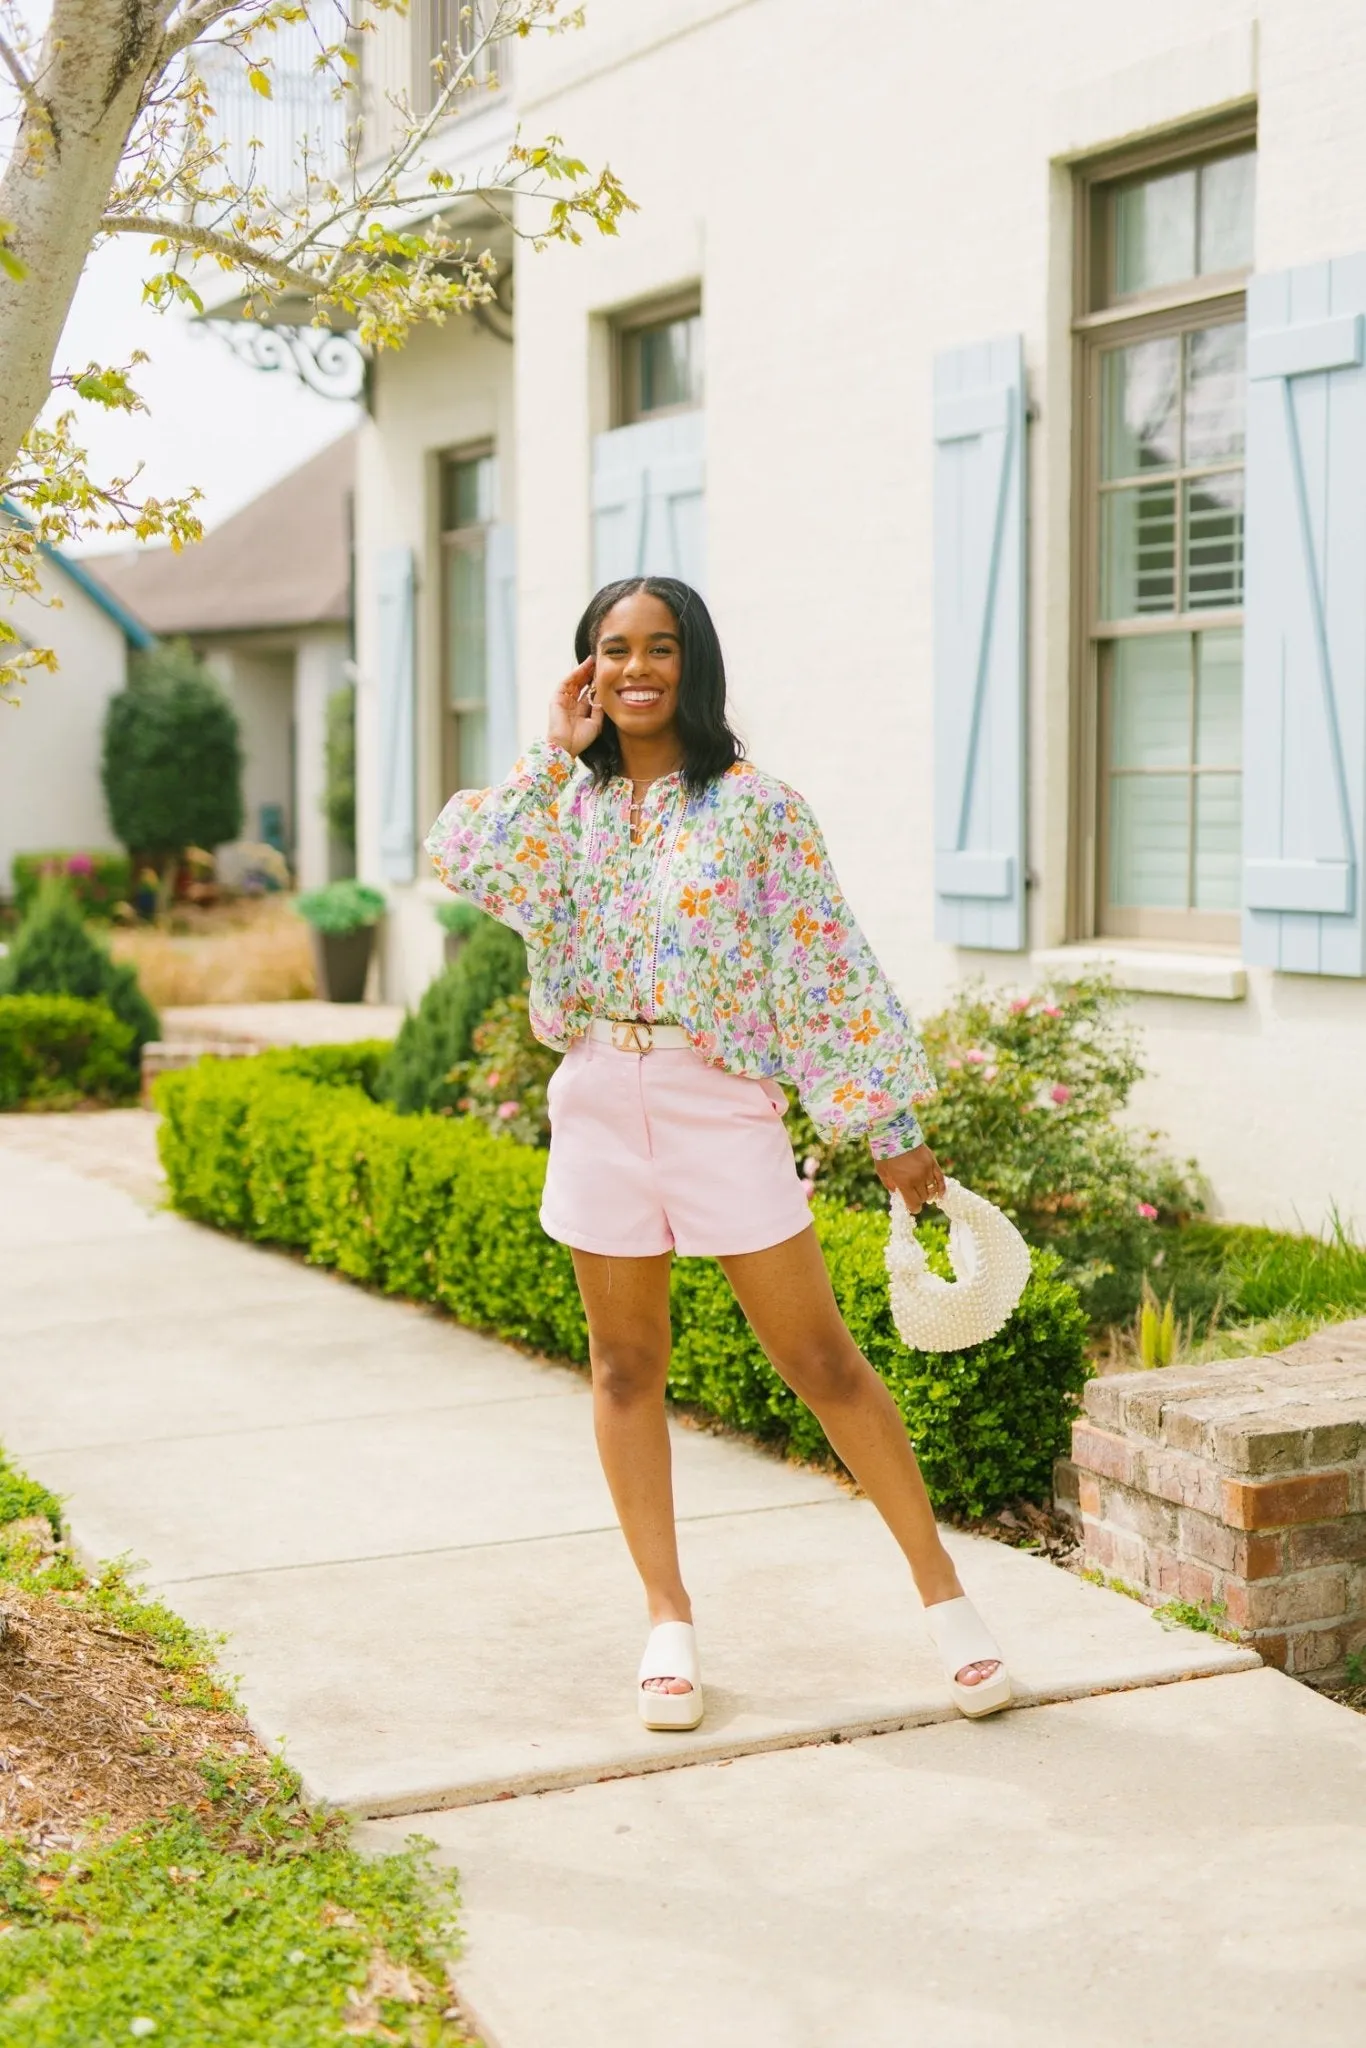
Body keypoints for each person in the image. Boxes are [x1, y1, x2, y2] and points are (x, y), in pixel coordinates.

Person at [425, 576, 1011, 1729]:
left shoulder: (757, 809)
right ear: (585, 670)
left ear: (694, 661)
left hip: (718, 1097)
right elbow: (469, 859)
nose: (635, 669)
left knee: (822, 1360)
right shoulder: (565, 810)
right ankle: (667, 1621)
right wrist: (554, 751)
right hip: (597, 1091)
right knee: (623, 1366)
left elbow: (824, 969)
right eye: (611, 650)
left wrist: (890, 1129)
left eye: (658, 648)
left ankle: (949, 1605)